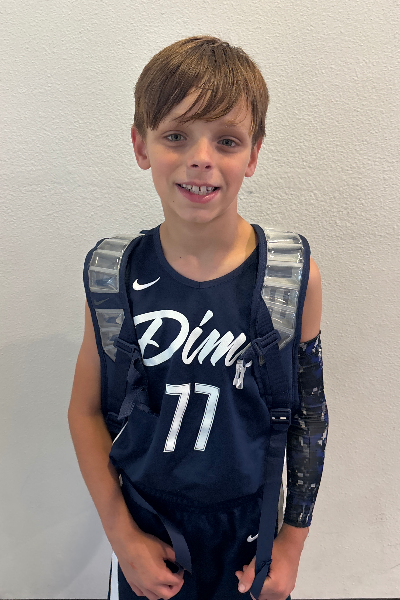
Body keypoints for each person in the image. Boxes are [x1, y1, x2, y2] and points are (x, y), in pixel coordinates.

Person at [68, 36, 328, 600]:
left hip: (249, 536)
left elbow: (309, 416)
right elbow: (85, 411)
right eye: (176, 135)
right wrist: (122, 538)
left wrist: (290, 546)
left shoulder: (290, 276)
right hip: (147, 529)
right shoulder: (113, 275)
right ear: (141, 144)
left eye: (226, 140)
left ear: (253, 154)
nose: (201, 158)